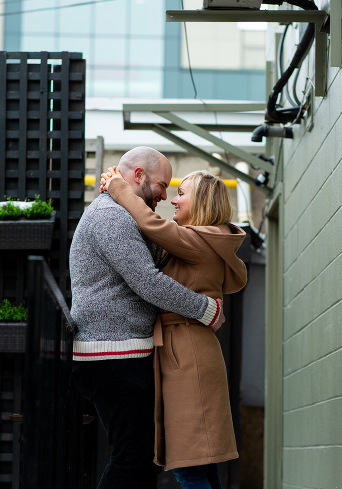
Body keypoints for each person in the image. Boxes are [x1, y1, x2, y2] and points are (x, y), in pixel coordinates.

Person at [69, 146, 223, 489]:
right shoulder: (110, 217)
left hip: (124, 355)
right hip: (112, 357)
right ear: (138, 176)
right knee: (133, 459)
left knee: (142, 461)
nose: (165, 196)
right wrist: (205, 309)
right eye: (162, 185)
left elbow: (161, 252)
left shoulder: (124, 214)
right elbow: (148, 282)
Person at [102, 167, 247, 489]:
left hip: (188, 355)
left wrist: (118, 186)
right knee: (200, 464)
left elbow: (150, 223)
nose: (173, 200)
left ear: (203, 202)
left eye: (182, 193)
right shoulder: (201, 241)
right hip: (188, 349)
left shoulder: (200, 240)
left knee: (189, 466)